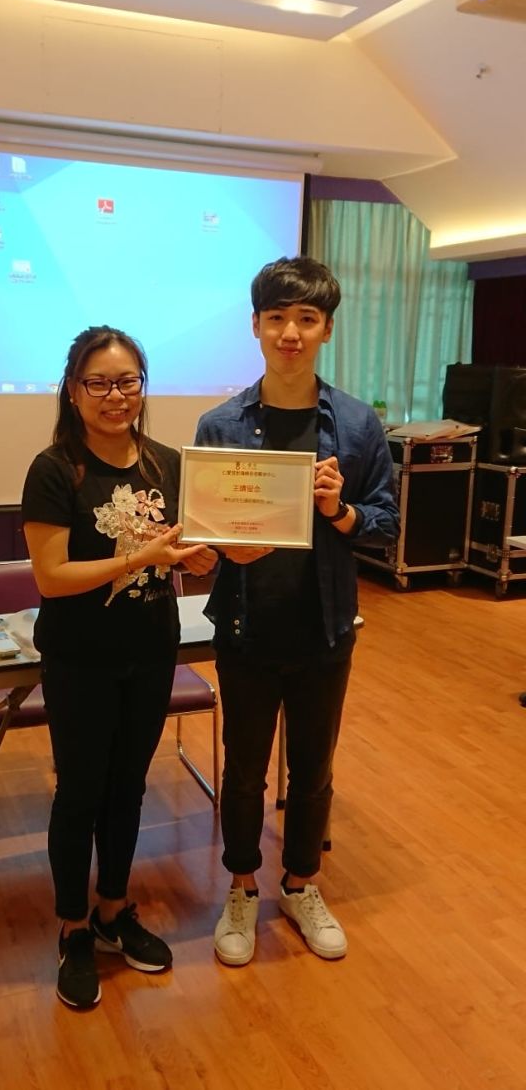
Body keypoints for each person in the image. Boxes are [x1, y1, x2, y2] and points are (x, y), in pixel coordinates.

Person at [194, 256, 399, 967]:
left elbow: (386, 523)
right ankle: (242, 888)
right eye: (277, 317)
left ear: (326, 330)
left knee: (314, 770)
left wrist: (340, 510)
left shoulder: (358, 424)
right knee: (243, 770)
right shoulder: (221, 425)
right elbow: (202, 536)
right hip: (246, 628)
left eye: (306, 319)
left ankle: (301, 884)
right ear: (255, 325)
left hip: (325, 628)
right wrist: (221, 546)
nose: (291, 333)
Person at [22, 326, 215, 1010]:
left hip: (151, 651)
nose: (115, 396)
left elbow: (188, 556)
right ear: (73, 392)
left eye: (127, 381)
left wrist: (199, 558)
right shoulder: (55, 470)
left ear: (142, 386)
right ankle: (73, 928)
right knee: (80, 792)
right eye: (98, 383)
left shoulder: (167, 464)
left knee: (129, 787)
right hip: (79, 657)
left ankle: (112, 910)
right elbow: (51, 577)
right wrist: (140, 557)